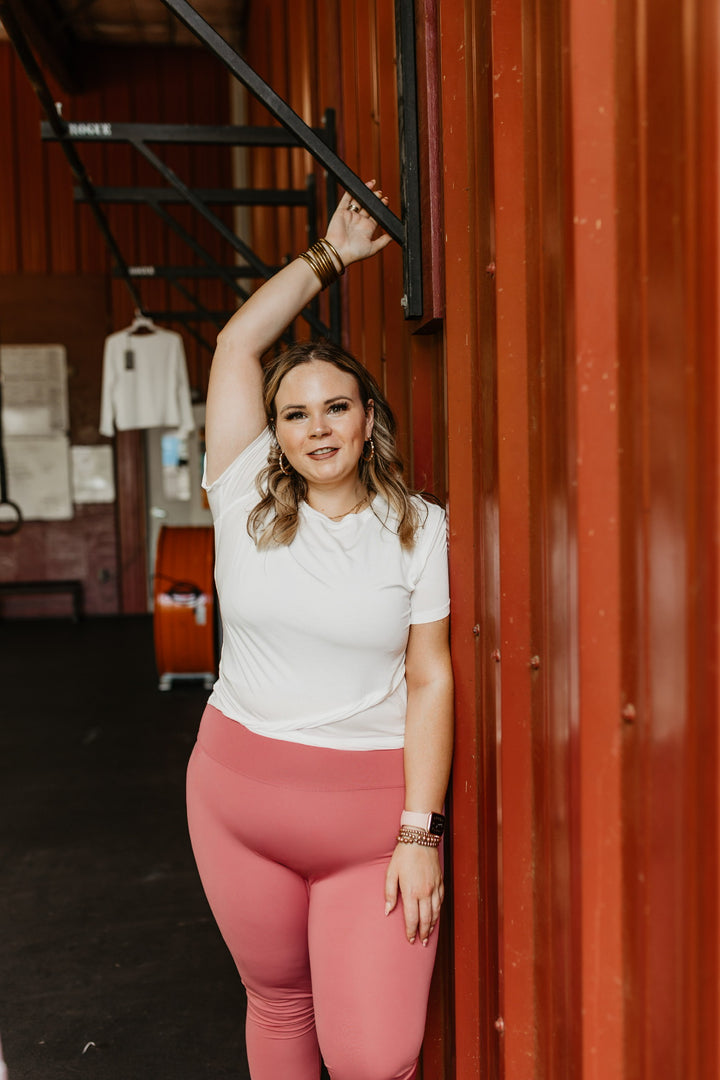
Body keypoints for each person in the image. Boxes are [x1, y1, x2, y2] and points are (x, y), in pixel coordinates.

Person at [186, 181, 454, 1080]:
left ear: (367, 417)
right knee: (278, 1004)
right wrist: (330, 255)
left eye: (336, 407)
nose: (317, 428)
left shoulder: (419, 527)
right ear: (274, 434)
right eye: (295, 414)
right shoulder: (239, 492)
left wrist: (420, 833)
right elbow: (237, 343)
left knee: (375, 1059)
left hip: (366, 825)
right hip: (234, 803)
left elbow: (431, 678)